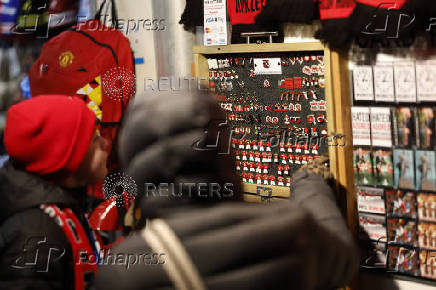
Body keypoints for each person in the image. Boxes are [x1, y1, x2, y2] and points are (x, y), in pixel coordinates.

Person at [94, 89, 360, 290]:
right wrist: (308, 182)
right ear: (225, 150)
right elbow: (345, 259)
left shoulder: (124, 268)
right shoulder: (291, 231)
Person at [0, 95, 108, 290]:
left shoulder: (66, 204)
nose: (105, 144)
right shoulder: (37, 235)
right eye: (93, 140)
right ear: (66, 155)